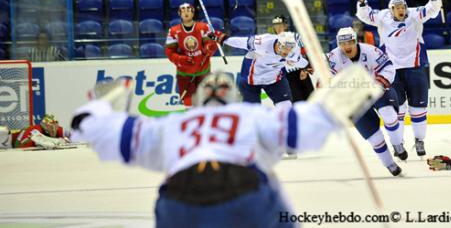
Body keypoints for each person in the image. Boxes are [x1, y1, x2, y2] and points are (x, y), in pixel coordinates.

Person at [69, 67, 382, 227]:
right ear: (232, 95)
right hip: (243, 193)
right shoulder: (252, 113)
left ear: (196, 99)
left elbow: (85, 127)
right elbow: (305, 128)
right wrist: (334, 104)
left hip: (179, 202)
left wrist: (103, 107)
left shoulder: (169, 124)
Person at [355, 0, 442, 157]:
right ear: (391, 9)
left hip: (416, 67)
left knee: (419, 109)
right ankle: (399, 143)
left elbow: (433, 9)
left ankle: (419, 141)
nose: (401, 10)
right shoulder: (382, 17)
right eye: (398, 8)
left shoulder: (415, 14)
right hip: (391, 71)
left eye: (403, 7)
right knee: (398, 110)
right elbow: (364, 14)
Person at [328, 27, 406, 175]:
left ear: (355, 41)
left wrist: (379, 84)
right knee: (375, 138)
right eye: (343, 44)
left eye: (350, 42)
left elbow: (388, 67)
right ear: (338, 44)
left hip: (376, 89)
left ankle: (397, 145)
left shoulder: (370, 51)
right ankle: (390, 165)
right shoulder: (332, 58)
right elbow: (327, 80)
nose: (347, 47)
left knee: (389, 116)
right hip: (354, 99)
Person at [218, 31, 310, 107]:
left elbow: (300, 62)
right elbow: (242, 42)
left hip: (275, 79)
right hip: (252, 79)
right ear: (278, 42)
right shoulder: (263, 41)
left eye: (288, 51)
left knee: (286, 108)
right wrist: (223, 39)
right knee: (253, 113)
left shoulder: (293, 53)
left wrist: (308, 66)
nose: (284, 53)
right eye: (283, 48)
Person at [165, 3, 220, 107]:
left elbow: (211, 44)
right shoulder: (173, 31)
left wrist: (210, 47)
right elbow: (169, 52)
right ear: (179, 13)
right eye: (183, 10)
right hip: (184, 72)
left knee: (205, 99)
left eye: (189, 10)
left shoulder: (203, 27)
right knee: (188, 101)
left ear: (193, 12)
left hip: (203, 70)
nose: (186, 12)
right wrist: (181, 59)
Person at [271, 15, 314, 102]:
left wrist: (305, 70)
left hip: (301, 72)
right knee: (296, 102)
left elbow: (306, 52)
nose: (278, 27)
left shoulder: (296, 37)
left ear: (286, 25)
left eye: (280, 24)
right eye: (276, 25)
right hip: (286, 76)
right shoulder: (271, 41)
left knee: (311, 100)